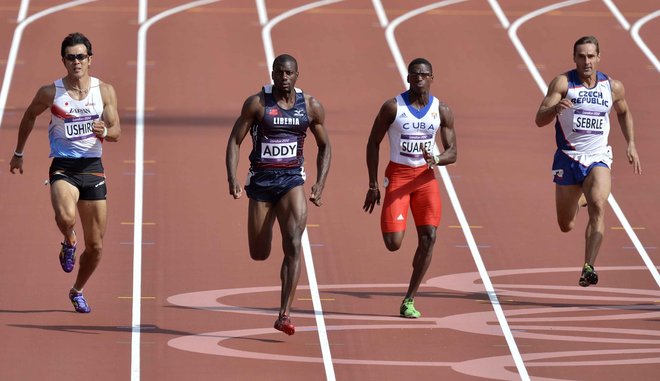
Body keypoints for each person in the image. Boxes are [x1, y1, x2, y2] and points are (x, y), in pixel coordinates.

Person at [9, 32, 121, 313]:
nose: (76, 62)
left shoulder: (104, 91)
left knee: (95, 247)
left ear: (90, 59)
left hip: (93, 169)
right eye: (70, 57)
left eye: (81, 57)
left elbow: (117, 131)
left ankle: (77, 290)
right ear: (63, 60)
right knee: (66, 217)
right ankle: (69, 239)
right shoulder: (51, 92)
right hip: (63, 167)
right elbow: (29, 115)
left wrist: (105, 131)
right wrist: (19, 153)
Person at [225, 54, 331, 335]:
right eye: (279, 73)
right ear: (272, 74)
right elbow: (235, 141)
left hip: (291, 180)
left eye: (289, 73)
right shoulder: (257, 103)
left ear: (297, 75)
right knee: (259, 253)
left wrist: (319, 182)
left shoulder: (310, 106)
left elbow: (325, 146)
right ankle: (268, 223)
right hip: (260, 182)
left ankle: (284, 313)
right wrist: (232, 177)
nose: (284, 77)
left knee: (294, 243)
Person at [535, 35, 641, 287]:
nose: (586, 62)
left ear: (598, 58)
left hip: (598, 157)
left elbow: (624, 112)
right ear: (574, 58)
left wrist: (631, 144)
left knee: (598, 205)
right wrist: (555, 109)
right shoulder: (563, 83)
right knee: (566, 224)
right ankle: (582, 194)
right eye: (581, 56)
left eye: (591, 56)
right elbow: (539, 118)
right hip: (568, 158)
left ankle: (588, 266)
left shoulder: (612, 87)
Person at [363, 58, 457, 318]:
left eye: (424, 75)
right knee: (393, 243)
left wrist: (435, 158)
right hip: (399, 176)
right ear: (408, 78)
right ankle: (412, 261)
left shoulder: (442, 110)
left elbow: (453, 152)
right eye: (414, 74)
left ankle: (409, 300)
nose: (419, 79)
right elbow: (373, 142)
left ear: (432, 78)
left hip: (425, 179)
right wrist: (373, 184)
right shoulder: (393, 107)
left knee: (429, 238)